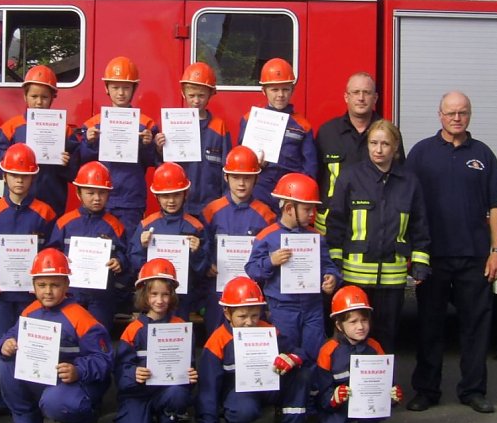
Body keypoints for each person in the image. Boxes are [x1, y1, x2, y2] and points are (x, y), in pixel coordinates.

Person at [405, 91, 497, 414]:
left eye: (462, 112)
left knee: (476, 327)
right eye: (451, 113)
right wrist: (410, 251)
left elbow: (496, 206)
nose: (457, 118)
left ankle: (473, 390)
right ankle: (426, 390)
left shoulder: (484, 155)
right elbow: (405, 203)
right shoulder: (421, 154)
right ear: (439, 115)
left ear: (470, 115)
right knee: (430, 326)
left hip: (474, 257)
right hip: (432, 257)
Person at [325, 119, 431, 353]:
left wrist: (421, 262)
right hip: (355, 278)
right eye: (374, 143)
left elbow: (419, 226)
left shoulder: (409, 182)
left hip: (392, 281)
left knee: (386, 339)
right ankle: (348, 388)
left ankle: (384, 389)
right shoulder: (351, 177)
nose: (378, 149)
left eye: (385, 144)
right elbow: (336, 223)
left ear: (395, 148)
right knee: (353, 338)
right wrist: (334, 263)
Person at [0, 248, 114, 423]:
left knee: (56, 402)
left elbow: (105, 360)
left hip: (76, 382)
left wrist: (78, 370)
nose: (48, 291)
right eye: (41, 285)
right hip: (45, 376)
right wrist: (4, 345)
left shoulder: (80, 317)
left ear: (66, 284)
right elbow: (10, 335)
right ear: (33, 285)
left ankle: (84, 420)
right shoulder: (30, 311)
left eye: (55, 285)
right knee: (5, 364)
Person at [196, 276, 307, 423]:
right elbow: (208, 391)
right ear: (227, 313)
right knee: (244, 409)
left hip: (268, 387)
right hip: (237, 396)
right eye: (242, 316)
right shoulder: (217, 341)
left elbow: (299, 352)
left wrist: (292, 358)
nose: (249, 322)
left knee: (301, 374)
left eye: (254, 315)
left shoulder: (268, 330)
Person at [245, 173, 341, 368]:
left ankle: (313, 394)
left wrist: (332, 278)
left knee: (315, 352)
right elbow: (252, 269)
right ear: (289, 208)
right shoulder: (267, 236)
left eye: (313, 208)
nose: (312, 214)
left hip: (312, 307)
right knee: (285, 354)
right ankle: (288, 396)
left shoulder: (316, 237)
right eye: (307, 209)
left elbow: (328, 264)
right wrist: (271, 261)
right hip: (282, 308)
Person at [113, 259, 198, 423]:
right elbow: (119, 371)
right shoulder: (133, 330)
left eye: (165, 294)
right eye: (154, 294)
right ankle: (126, 422)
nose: (160, 300)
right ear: (144, 295)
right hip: (137, 394)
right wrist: (133, 374)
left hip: (166, 391)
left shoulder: (182, 327)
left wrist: (190, 377)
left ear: (172, 295)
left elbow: (188, 364)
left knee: (178, 393)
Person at [0, 143, 56, 347]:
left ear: (33, 177)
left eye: (25, 175)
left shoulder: (46, 213)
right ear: (4, 176)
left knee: (29, 343)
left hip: (32, 295)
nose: (19, 180)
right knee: (2, 341)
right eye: (14, 175)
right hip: (0, 293)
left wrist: (43, 284)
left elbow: (51, 253)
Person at [316, 286, 403, 423]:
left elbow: (385, 385)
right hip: (336, 408)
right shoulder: (328, 350)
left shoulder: (375, 347)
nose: (361, 326)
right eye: (353, 322)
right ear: (339, 325)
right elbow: (319, 394)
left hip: (364, 403)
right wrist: (334, 398)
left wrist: (393, 396)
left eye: (364, 320)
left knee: (379, 403)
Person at [79, 56, 158, 236]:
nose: (120, 93)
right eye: (115, 87)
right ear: (106, 88)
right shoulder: (93, 124)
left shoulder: (146, 124)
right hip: (100, 198)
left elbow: (152, 162)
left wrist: (147, 146)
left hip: (131, 199)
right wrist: (89, 143)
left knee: (128, 247)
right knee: (100, 250)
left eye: (126, 87)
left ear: (134, 89)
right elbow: (82, 162)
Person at [47, 161, 128, 332]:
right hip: (70, 294)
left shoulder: (115, 225)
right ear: (78, 193)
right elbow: (51, 253)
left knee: (98, 335)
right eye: (90, 193)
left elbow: (124, 255)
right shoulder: (64, 223)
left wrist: (119, 262)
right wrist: (60, 259)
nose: (96, 198)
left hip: (102, 298)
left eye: (102, 193)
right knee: (69, 335)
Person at [0, 65, 80, 218]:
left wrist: (66, 163)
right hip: (17, 203)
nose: (39, 102)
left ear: (52, 98)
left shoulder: (63, 130)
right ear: (25, 96)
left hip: (52, 202)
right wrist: (12, 159)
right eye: (34, 96)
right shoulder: (12, 127)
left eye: (44, 97)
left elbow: (75, 172)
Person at [129, 162, 211, 328]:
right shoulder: (146, 225)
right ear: (157, 196)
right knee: (152, 332)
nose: (171, 201)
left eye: (176, 195)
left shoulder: (196, 227)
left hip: (183, 296)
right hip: (153, 297)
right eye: (166, 196)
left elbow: (203, 270)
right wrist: (142, 246)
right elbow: (134, 264)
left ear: (185, 194)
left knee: (179, 334)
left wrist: (197, 252)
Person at [315, 72, 397, 235]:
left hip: (375, 229)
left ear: (375, 98)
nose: (361, 98)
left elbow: (399, 181)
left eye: (366, 93)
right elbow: (316, 178)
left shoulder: (388, 133)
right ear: (346, 97)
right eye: (356, 92)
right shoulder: (328, 133)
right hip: (332, 226)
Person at [238, 57, 316, 214]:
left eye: (285, 89)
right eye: (274, 89)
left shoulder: (303, 125)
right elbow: (239, 162)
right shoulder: (250, 120)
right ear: (263, 90)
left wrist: (300, 193)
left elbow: (310, 168)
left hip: (291, 193)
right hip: (259, 189)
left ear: (292, 90)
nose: (280, 95)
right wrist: (254, 164)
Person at [154, 62, 231, 219]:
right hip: (181, 206)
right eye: (191, 95)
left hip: (212, 205)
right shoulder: (173, 124)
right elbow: (164, 167)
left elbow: (227, 171)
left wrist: (224, 203)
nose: (196, 100)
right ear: (183, 93)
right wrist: (159, 149)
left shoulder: (219, 126)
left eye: (201, 95)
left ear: (211, 94)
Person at [202, 145, 277, 293]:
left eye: (247, 178)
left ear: (256, 178)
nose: (241, 183)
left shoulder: (267, 215)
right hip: (217, 289)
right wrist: (207, 264)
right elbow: (204, 245)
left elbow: (269, 255)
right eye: (235, 177)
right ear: (226, 177)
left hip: (253, 290)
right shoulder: (211, 211)